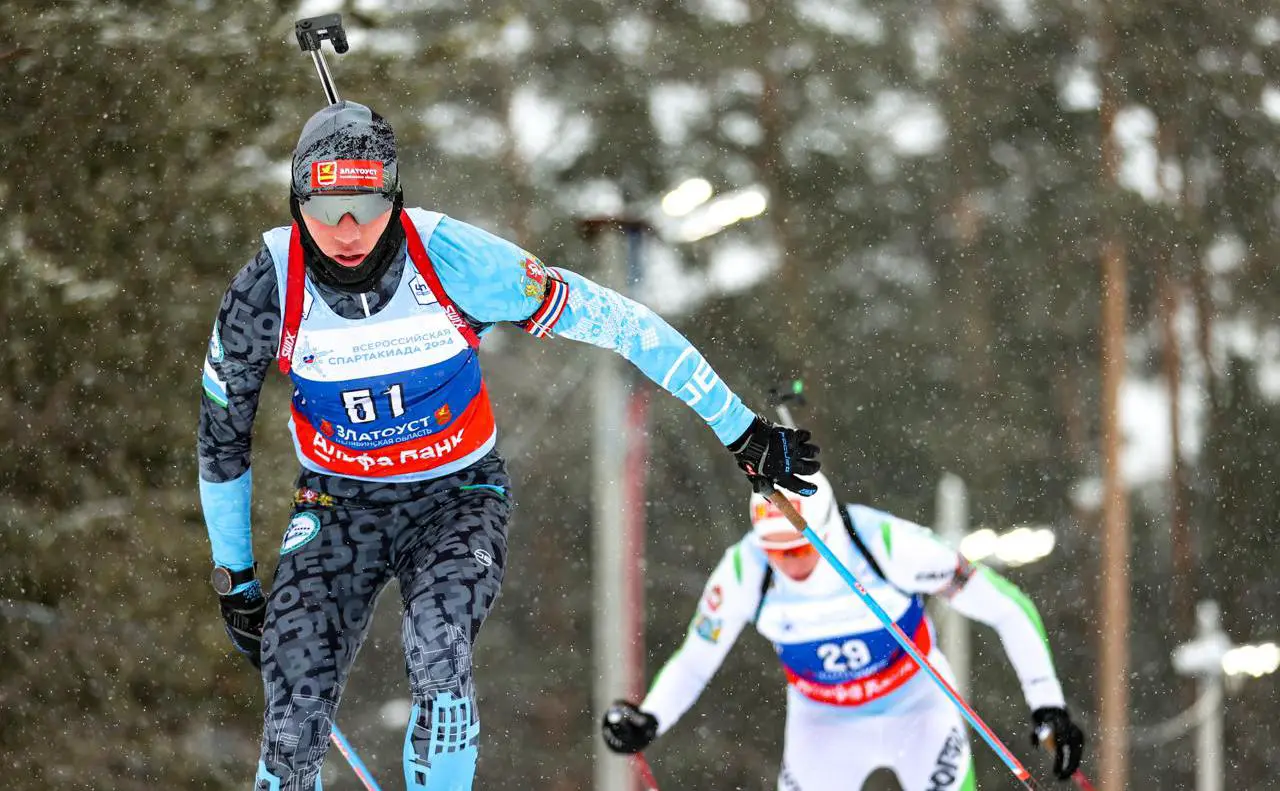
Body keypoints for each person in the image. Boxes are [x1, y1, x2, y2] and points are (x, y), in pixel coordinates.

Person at [197, 99, 821, 791]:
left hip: (455, 496)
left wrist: (742, 428)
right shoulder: (264, 289)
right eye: (325, 209)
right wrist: (235, 578)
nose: (347, 232)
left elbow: (624, 324)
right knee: (292, 702)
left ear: (396, 199)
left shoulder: (457, 260)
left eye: (367, 208)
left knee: (437, 649)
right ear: (296, 202)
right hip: (341, 503)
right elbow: (222, 435)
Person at [601, 472, 1085, 790]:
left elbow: (1007, 607)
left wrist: (1048, 705)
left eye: (798, 548)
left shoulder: (889, 546)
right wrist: (651, 718)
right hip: (823, 724)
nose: (788, 563)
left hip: (918, 710)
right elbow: (696, 659)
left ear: (825, 529)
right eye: (776, 551)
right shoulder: (746, 570)